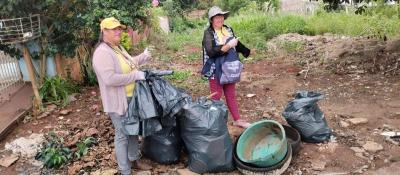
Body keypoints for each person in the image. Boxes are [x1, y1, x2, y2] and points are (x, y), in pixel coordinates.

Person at [92, 17, 152, 175]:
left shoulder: (117, 48)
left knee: (133, 130)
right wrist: (135, 76)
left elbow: (130, 64)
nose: (119, 31)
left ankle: (134, 159)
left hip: (131, 98)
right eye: (114, 29)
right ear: (104, 31)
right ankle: (124, 170)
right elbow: (110, 79)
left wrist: (144, 56)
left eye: (120, 28)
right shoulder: (102, 53)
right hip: (118, 102)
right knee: (122, 134)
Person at [201, 6, 252, 128]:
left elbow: (235, 43)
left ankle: (237, 120)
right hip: (215, 69)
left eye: (221, 16)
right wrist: (228, 45)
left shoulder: (228, 29)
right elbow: (211, 52)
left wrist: (245, 51)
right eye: (217, 17)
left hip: (229, 67)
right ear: (211, 19)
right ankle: (215, 124)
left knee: (230, 94)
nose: (220, 19)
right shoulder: (208, 33)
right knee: (216, 96)